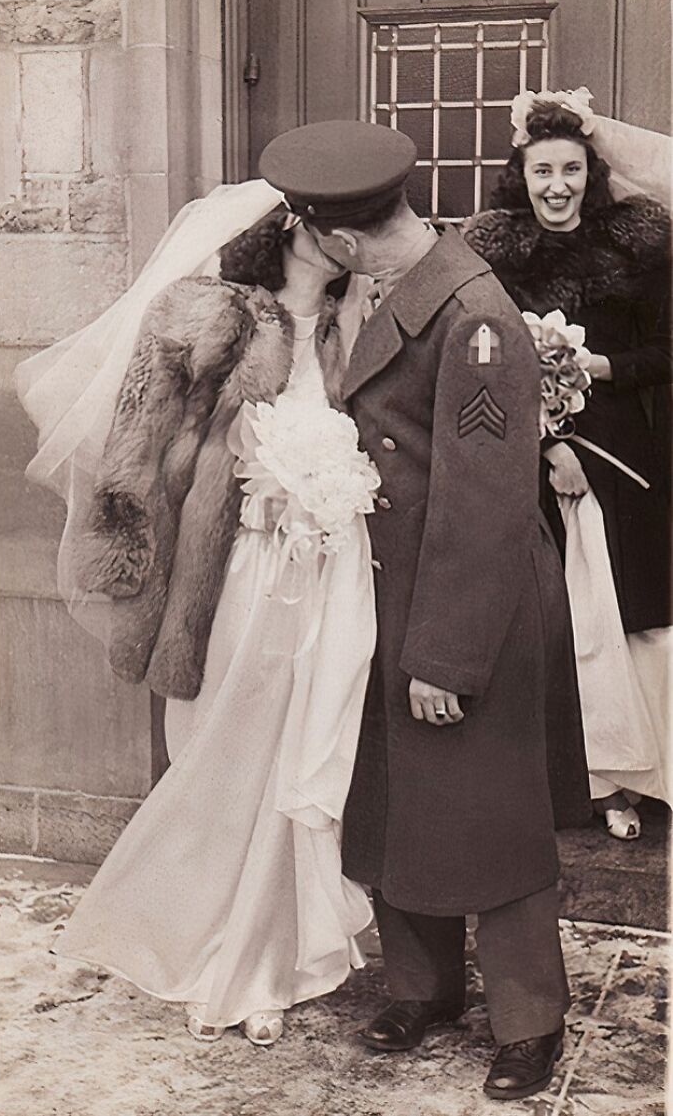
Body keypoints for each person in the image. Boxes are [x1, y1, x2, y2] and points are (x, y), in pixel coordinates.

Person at [260, 120, 591, 1102]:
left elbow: (484, 504)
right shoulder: (393, 286)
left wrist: (445, 655)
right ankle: (425, 986)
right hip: (388, 590)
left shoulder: (472, 315)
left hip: (464, 600)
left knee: (491, 817)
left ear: (346, 236)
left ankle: (531, 1019)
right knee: (400, 804)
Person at [16, 179, 379, 1046]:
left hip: (328, 571)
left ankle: (264, 958)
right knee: (222, 748)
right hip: (231, 572)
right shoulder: (211, 314)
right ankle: (201, 937)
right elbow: (136, 436)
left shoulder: (350, 323)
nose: (354, 238)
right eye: (339, 223)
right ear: (298, 226)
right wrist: (134, 554)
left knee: (295, 758)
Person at [464, 89, 672, 840]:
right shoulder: (492, 258)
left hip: (624, 457)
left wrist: (595, 365)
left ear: (592, 173)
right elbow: (479, 367)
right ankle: (578, 781)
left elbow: (666, 354)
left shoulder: (637, 250)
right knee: (562, 620)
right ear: (521, 175)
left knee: (631, 616)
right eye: (543, 170)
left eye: (571, 170)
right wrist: (549, 442)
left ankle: (638, 776)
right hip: (528, 459)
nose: (557, 186)